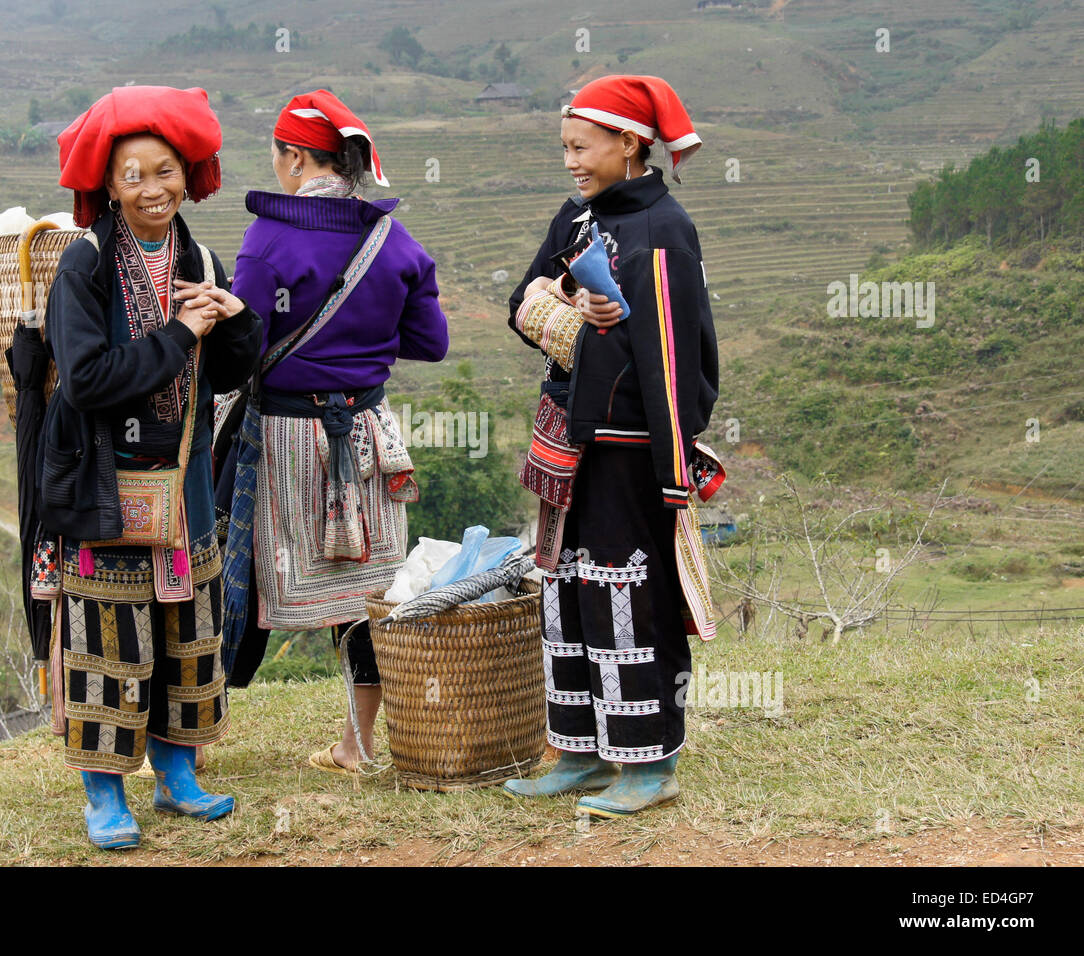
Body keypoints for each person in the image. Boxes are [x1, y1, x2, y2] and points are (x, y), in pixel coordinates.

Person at [36, 86, 262, 849]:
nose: (152, 189)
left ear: (187, 174)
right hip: (105, 483)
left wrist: (234, 323)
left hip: (185, 484)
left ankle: (178, 773)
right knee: (108, 640)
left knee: (183, 630)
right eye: (133, 175)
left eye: (164, 171)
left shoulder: (198, 257)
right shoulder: (85, 266)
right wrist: (177, 332)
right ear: (108, 186)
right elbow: (86, 378)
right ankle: (103, 794)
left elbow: (228, 374)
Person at [503, 75, 719, 817]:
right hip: (569, 442)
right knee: (569, 591)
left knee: (631, 594)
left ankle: (649, 763)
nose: (569, 161)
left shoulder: (662, 231)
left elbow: (671, 357)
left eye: (580, 146)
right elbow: (522, 299)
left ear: (629, 144)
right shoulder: (578, 219)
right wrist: (568, 305)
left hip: (630, 450)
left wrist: (673, 468)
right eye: (564, 147)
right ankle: (581, 750)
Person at [224, 90, 448, 773]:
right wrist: (360, 346)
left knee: (237, 579)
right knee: (368, 592)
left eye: (278, 155)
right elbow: (430, 341)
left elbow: (241, 349)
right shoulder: (391, 239)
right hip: (369, 438)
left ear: (294, 157)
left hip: (287, 440)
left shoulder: (268, 240)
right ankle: (357, 744)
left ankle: (190, 742)